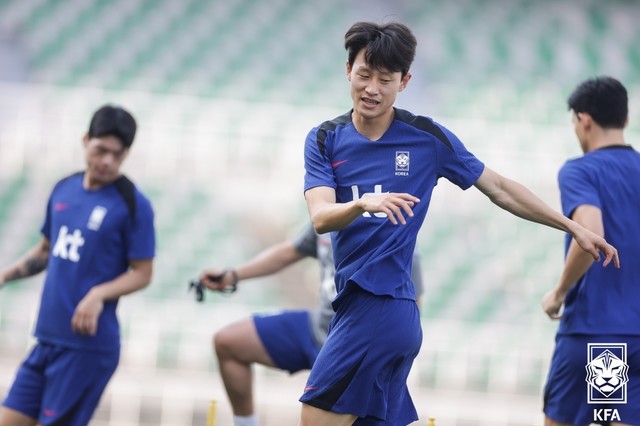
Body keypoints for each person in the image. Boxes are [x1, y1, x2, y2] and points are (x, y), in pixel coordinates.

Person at [301, 21, 620, 426]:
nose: (372, 88)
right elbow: (320, 217)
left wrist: (571, 226)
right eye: (364, 75)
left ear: (405, 82)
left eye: (386, 79)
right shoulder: (325, 139)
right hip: (362, 310)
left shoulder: (426, 138)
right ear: (349, 71)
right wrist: (362, 204)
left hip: (378, 308)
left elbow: (500, 188)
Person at [0, 104, 156, 426]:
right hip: (46, 338)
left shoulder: (133, 203)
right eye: (101, 150)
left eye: (117, 154)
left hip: (87, 347)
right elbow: (46, 250)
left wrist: (99, 294)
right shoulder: (64, 188)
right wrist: (4, 275)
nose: (107, 161)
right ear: (85, 140)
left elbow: (143, 273)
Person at [198, 223, 425, 426]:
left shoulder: (394, 233)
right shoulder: (326, 216)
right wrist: (233, 275)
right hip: (319, 328)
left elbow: (413, 307)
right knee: (229, 342)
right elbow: (290, 251)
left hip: (356, 346)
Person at [541, 76, 640, 426]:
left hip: (600, 332)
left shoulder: (581, 170)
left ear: (583, 119)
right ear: (625, 120)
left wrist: (559, 293)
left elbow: (591, 236)